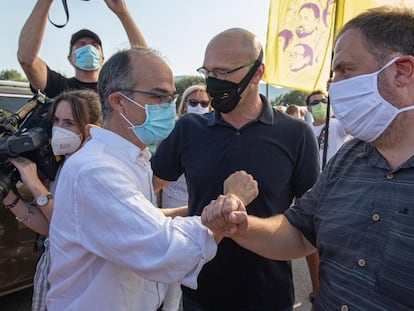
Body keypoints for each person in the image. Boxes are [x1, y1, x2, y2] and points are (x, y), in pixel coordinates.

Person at [201, 6, 414, 311]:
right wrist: (240, 226)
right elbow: (300, 232)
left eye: (345, 70)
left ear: (401, 71)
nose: (333, 86)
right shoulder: (347, 160)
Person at [45, 47, 258, 311]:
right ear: (119, 102)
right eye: (159, 96)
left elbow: (143, 221)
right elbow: (166, 250)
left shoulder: (134, 158)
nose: (168, 107)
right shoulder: (96, 171)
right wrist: (230, 204)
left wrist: (193, 212)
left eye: (171, 97)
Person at [151, 28, 320, 311]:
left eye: (224, 72)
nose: (214, 81)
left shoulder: (296, 134)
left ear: (257, 73)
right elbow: (147, 185)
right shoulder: (189, 129)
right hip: (199, 294)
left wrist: (319, 291)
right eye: (208, 72)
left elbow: (311, 222)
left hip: (269, 296)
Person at [1, 89, 103, 311]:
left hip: (79, 277)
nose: (59, 129)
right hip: (53, 266)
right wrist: (8, 196)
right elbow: (49, 228)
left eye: (69, 123)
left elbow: (67, 226)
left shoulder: (95, 171)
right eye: (56, 121)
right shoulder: (61, 164)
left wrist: (34, 184)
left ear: (92, 128)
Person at [17, 0, 147, 98]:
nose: (89, 47)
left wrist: (123, 12)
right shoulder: (59, 87)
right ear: (70, 58)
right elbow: (26, 59)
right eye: (82, 44)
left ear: (102, 59)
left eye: (95, 45)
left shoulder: (114, 92)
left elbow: (145, 65)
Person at [159, 83, 211, 311]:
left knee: (199, 271)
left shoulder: (215, 137)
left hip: (200, 210)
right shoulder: (171, 133)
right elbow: (157, 179)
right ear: (183, 105)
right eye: (193, 103)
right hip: (171, 210)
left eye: (204, 103)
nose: (198, 107)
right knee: (171, 276)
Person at [306, 90, 351, 169]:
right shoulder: (306, 130)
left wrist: (336, 91)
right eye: (315, 102)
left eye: (324, 101)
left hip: (337, 173)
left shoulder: (338, 124)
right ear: (308, 108)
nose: (320, 104)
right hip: (317, 176)